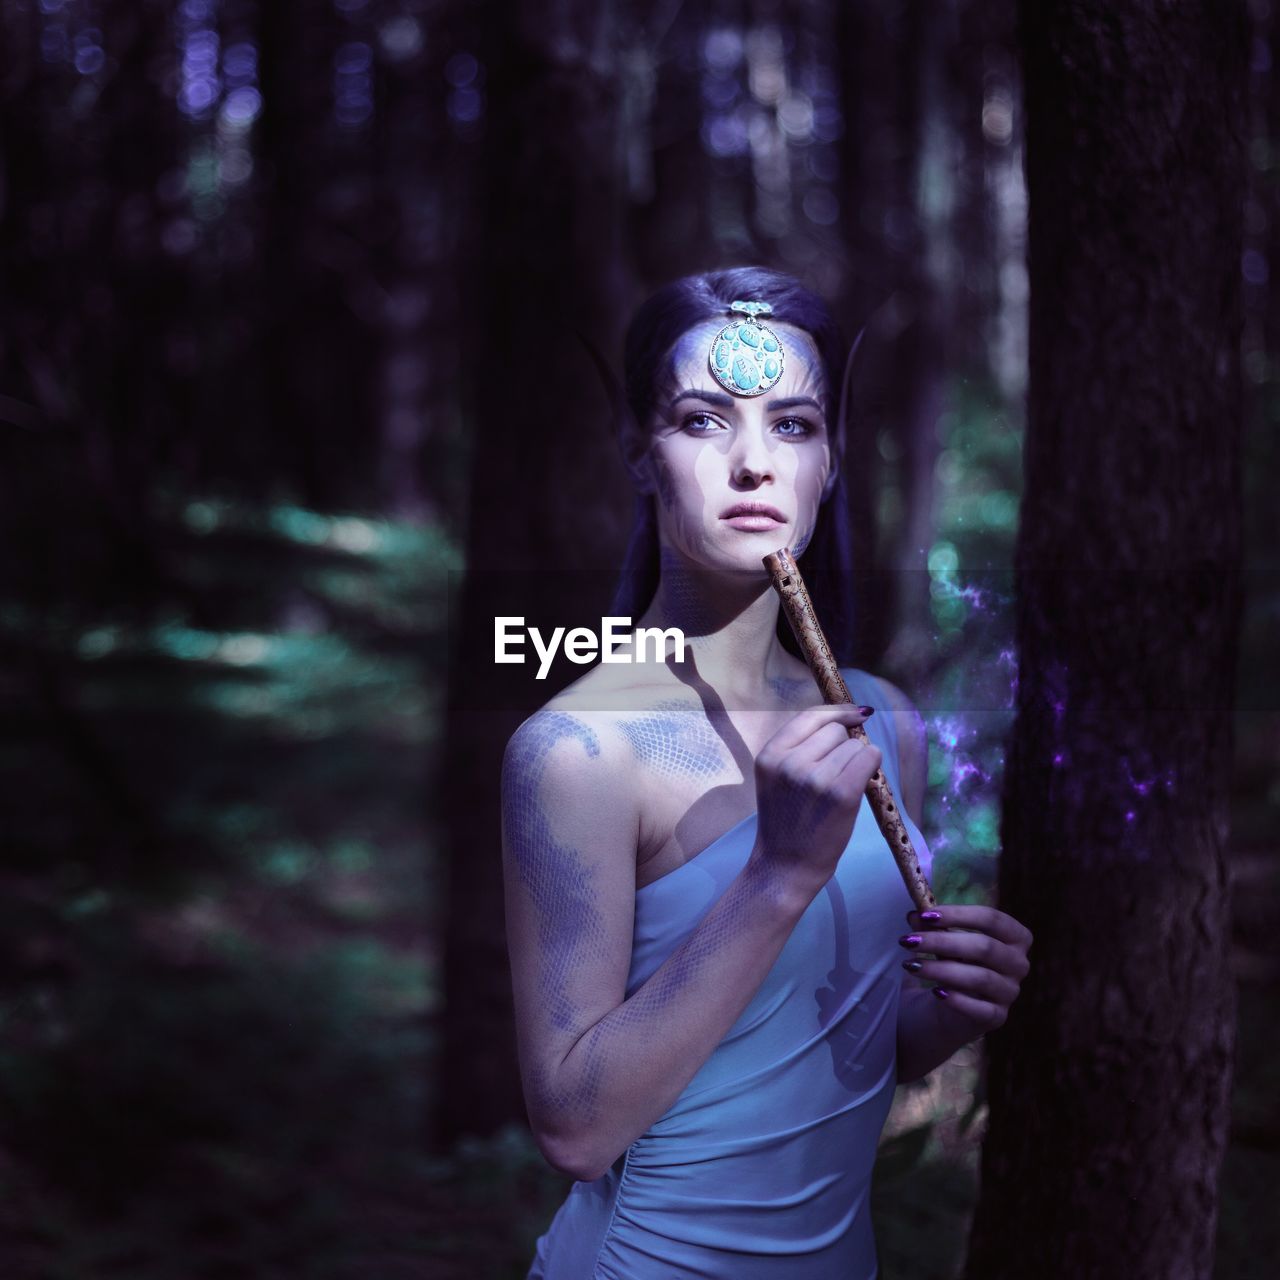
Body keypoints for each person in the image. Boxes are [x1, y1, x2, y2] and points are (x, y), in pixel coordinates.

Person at [501, 266, 1033, 1278]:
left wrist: (951, 1008)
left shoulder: (882, 723)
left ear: (829, 462)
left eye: (792, 425)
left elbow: (828, 1058)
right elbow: (573, 1128)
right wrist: (775, 876)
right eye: (704, 420)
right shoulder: (578, 749)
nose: (752, 463)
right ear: (637, 454)